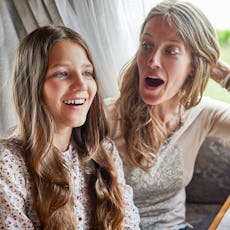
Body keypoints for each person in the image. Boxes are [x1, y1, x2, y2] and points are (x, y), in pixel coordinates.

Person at [105, 0, 230, 229]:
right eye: (146, 45)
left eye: (171, 51)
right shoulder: (106, 116)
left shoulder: (202, 114)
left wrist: (224, 74)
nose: (152, 61)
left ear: (193, 65)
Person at [0, 25, 140, 230]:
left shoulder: (104, 152)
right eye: (62, 74)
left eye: (87, 73)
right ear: (33, 85)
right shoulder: (8, 163)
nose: (82, 85)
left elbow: (128, 224)